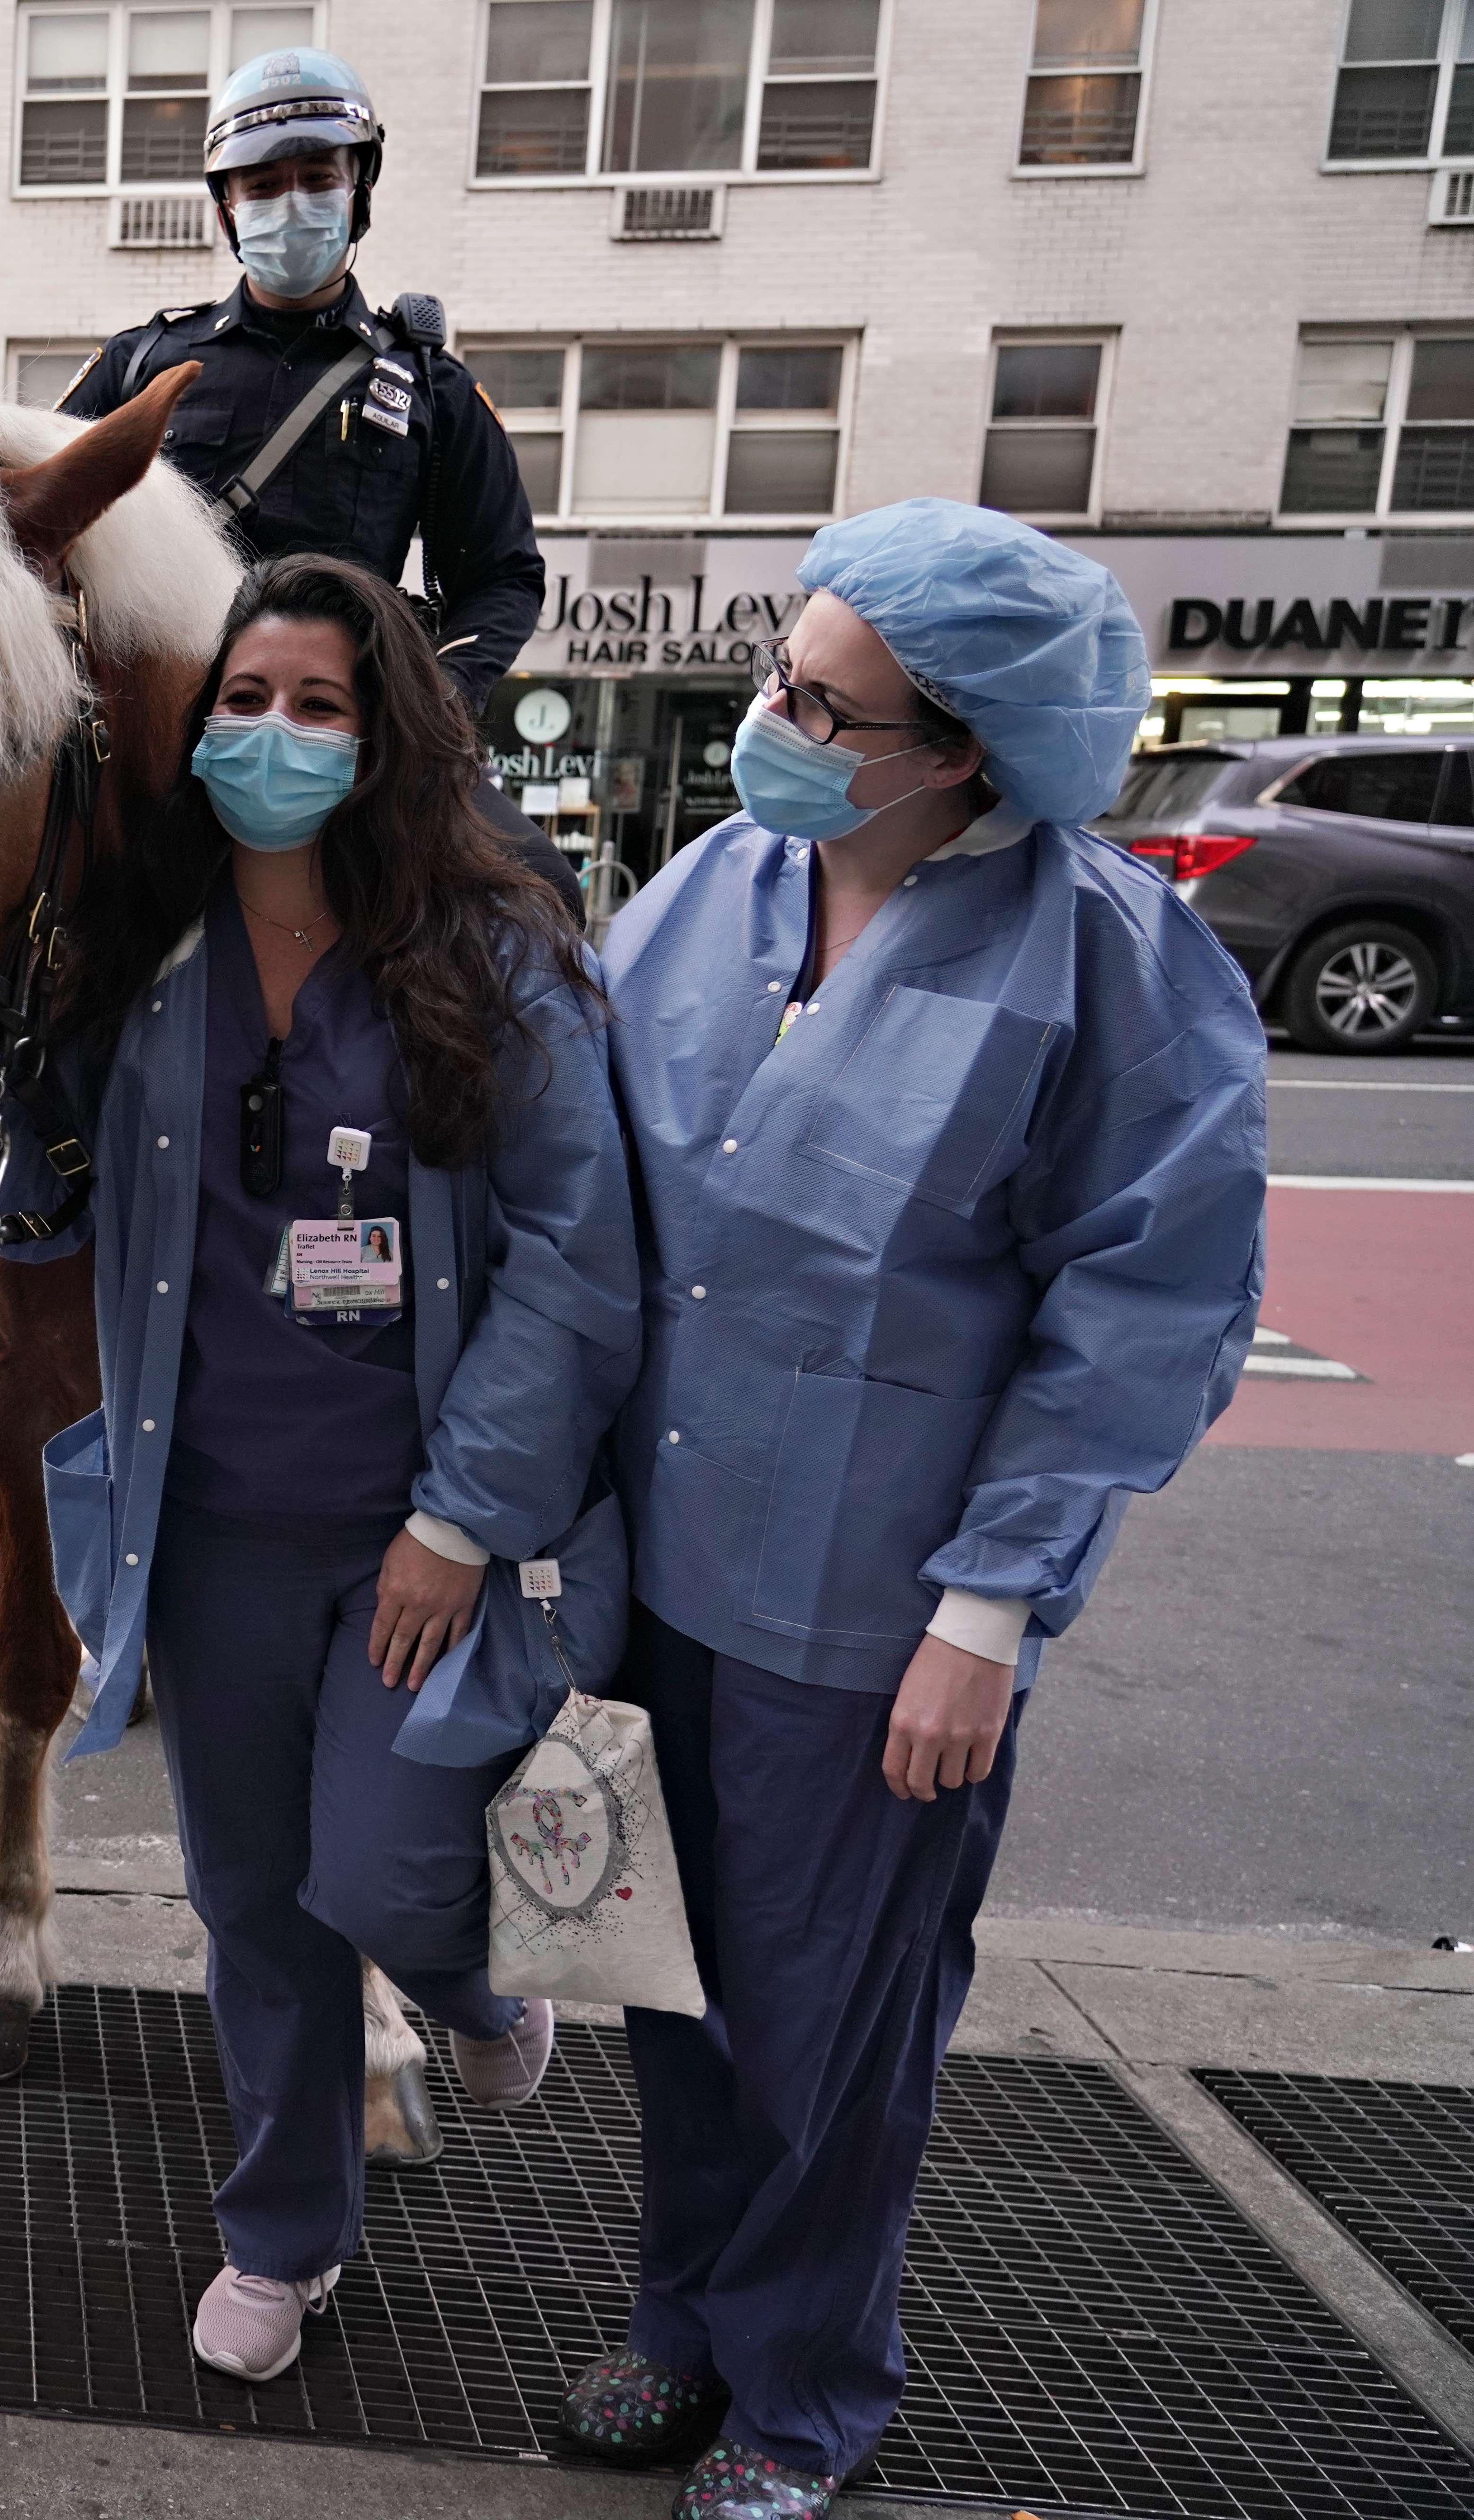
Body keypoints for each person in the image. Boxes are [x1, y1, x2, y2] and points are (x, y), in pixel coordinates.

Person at [575, 503, 1267, 2520]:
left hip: (871, 1617)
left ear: (959, 748)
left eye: (822, 703)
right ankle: (679, 2327)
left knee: (828, 2042)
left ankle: (796, 2406)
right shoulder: (711, 889)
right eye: (774, 674)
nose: (768, 721)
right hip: (657, 1574)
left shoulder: (1101, 961)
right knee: (669, 1998)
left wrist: (988, 1613)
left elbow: (1140, 1310)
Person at [0, 552, 640, 2385]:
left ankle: (475, 1987)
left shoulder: (491, 952)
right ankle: (282, 2231)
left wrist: (459, 1520)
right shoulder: (132, 963)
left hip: (421, 1538)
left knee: (388, 1874)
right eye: (241, 703)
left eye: (317, 704)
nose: (270, 735)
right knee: (253, 1903)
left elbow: (578, 1260)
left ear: (385, 733)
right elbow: (16, 1196)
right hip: (203, 1537)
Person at [61, 47, 576, 914]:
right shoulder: (140, 363)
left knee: (539, 888)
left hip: (353, 732)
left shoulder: (429, 387)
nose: (287, 203)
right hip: (166, 729)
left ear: (357, 190)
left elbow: (503, 574)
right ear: (226, 206)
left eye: (314, 176)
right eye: (260, 186)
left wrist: (437, 701)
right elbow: (41, 520)